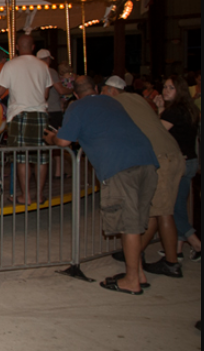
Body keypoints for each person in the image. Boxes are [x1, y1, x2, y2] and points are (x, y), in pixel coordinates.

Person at [44, 76, 159, 296]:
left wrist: (52, 138)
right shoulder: (112, 102)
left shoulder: (77, 107)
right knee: (137, 221)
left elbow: (64, 142)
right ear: (96, 89)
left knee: (129, 225)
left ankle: (132, 279)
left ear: (75, 94)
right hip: (147, 160)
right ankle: (139, 273)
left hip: (119, 165)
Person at [101, 75, 184, 281]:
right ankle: (134, 252)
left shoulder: (115, 103)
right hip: (171, 153)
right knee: (154, 211)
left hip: (159, 157)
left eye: (103, 92)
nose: (101, 96)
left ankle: (171, 262)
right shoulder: (137, 99)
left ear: (111, 91)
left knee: (163, 213)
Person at [0, 34, 53, 205]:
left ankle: (25, 195)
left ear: (17, 47)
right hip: (40, 113)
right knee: (41, 157)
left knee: (21, 158)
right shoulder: (43, 66)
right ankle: (39, 195)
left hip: (19, 114)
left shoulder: (11, 65)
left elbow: (0, 90)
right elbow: (46, 94)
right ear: (33, 47)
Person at [155, 75, 202, 263]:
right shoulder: (189, 109)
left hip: (178, 163)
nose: (166, 90)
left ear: (179, 90)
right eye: (165, 87)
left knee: (173, 208)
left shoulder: (172, 113)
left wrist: (160, 110)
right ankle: (177, 248)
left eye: (171, 88)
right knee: (179, 204)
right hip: (190, 160)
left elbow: (158, 133)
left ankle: (196, 243)